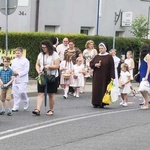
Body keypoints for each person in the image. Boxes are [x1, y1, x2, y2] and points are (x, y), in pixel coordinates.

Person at [32, 40, 60, 116]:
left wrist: (49, 67)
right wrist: (39, 72)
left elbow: (57, 65)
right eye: (42, 47)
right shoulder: (40, 55)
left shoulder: (55, 55)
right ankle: (37, 109)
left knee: (51, 94)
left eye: (45, 47)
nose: (43, 49)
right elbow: (37, 64)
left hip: (52, 76)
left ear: (49, 47)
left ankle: (51, 110)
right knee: (40, 93)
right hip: (42, 76)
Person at [90, 42, 115, 108]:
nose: (100, 50)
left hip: (105, 76)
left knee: (103, 88)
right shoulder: (97, 56)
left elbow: (112, 67)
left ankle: (102, 102)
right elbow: (91, 64)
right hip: (97, 76)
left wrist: (112, 76)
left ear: (105, 49)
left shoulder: (109, 57)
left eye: (102, 48)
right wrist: (96, 65)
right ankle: (95, 102)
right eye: (99, 48)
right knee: (96, 88)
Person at [11, 47, 30, 112]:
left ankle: (26, 100)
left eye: (18, 53)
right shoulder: (14, 60)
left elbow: (26, 70)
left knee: (22, 92)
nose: (17, 54)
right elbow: (12, 68)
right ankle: (15, 106)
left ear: (22, 53)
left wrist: (19, 73)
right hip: (15, 79)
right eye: (16, 53)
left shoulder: (25, 60)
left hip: (22, 79)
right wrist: (13, 73)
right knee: (15, 93)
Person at [138, 44, 150, 109]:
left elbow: (149, 66)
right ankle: (146, 102)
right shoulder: (142, 56)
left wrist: (146, 76)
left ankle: (146, 103)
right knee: (142, 89)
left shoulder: (148, 55)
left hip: (145, 73)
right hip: (142, 73)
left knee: (145, 89)